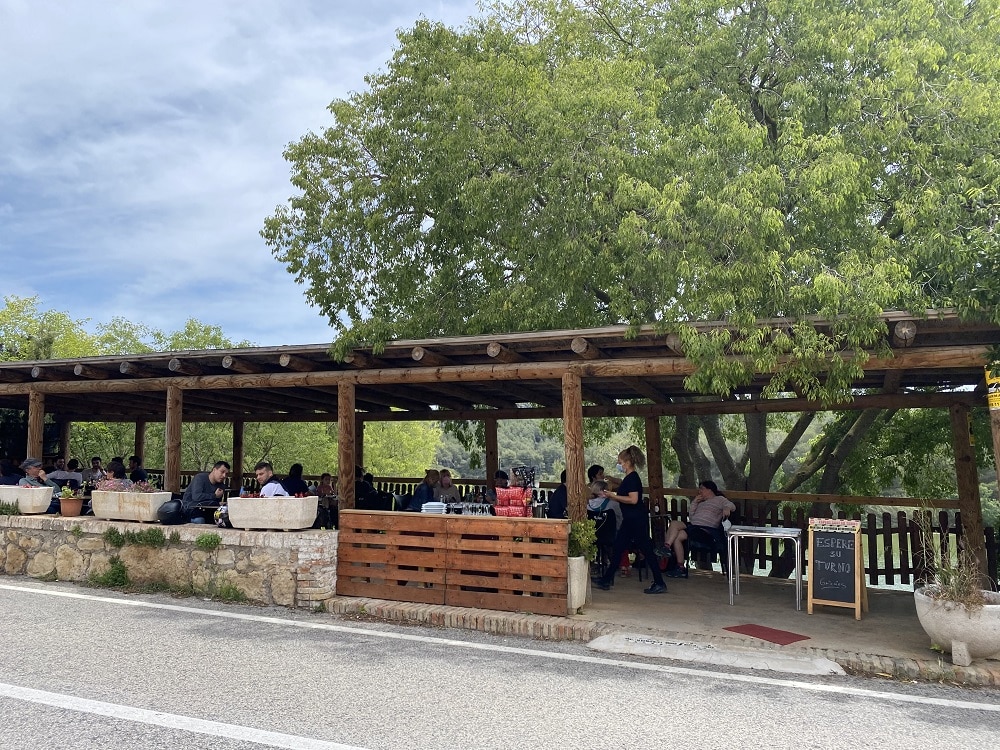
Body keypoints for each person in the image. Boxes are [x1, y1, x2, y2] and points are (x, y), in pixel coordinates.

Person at [592, 446, 667, 594]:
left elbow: (633, 499)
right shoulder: (629, 478)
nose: (618, 464)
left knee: (646, 550)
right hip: (630, 519)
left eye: (620, 462)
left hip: (636, 520)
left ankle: (659, 582)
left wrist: (613, 496)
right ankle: (606, 579)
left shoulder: (632, 479)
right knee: (619, 547)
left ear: (627, 463)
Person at [663, 479, 736, 577]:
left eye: (702, 488)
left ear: (710, 490)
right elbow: (692, 518)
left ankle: (666, 547)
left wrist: (727, 508)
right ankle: (680, 567)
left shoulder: (719, 499)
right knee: (678, 536)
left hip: (706, 531)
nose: (699, 491)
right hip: (694, 527)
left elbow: (732, 505)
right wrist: (694, 503)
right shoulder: (701, 503)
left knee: (674, 524)